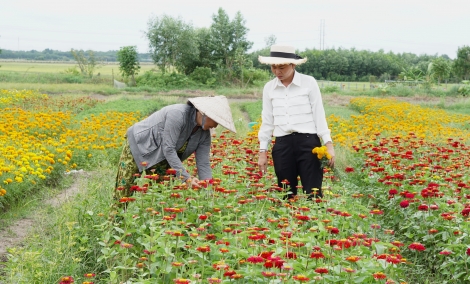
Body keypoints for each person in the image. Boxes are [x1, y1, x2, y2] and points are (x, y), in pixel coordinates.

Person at [113, 95, 236, 204]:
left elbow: (203, 163)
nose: (215, 125)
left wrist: (209, 189)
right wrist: (186, 178)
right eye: (215, 120)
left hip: (162, 158)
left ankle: (152, 227)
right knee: (123, 192)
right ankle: (114, 226)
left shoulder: (204, 134)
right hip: (139, 145)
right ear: (203, 113)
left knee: (160, 196)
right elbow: (169, 148)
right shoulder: (178, 114)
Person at [257, 45, 335, 200]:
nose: (277, 71)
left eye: (282, 67)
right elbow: (267, 121)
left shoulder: (309, 83)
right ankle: (287, 224)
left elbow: (319, 114)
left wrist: (329, 145)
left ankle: (314, 221)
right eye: (273, 67)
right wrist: (262, 151)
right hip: (282, 145)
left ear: (293, 65)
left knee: (313, 193)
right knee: (286, 193)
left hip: (309, 144)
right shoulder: (269, 88)